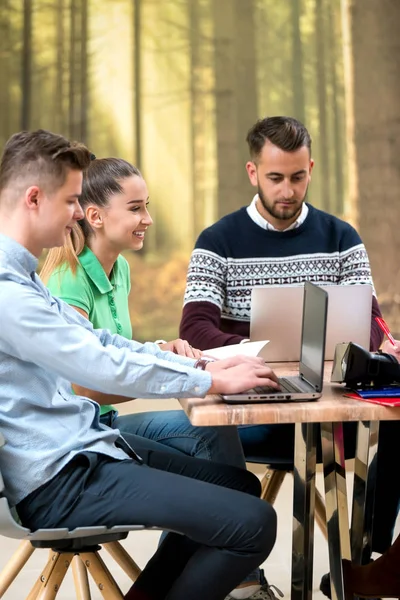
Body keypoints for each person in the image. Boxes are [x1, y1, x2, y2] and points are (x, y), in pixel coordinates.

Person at [0, 129, 282, 600]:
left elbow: (99, 340)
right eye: (71, 199)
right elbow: (95, 364)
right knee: (254, 524)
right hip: (58, 478)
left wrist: (177, 358)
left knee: (238, 488)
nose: (77, 212)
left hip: (84, 448)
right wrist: (208, 377)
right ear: (34, 198)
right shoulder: (10, 293)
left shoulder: (24, 278)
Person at [179, 115, 398, 595]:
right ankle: (249, 578)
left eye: (298, 177)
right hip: (258, 415)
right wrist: (253, 352)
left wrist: (385, 340)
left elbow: (372, 319)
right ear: (253, 172)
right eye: (275, 177)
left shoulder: (342, 237)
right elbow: (194, 328)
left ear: (311, 169)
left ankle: (365, 562)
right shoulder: (217, 242)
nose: (288, 190)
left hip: (334, 416)